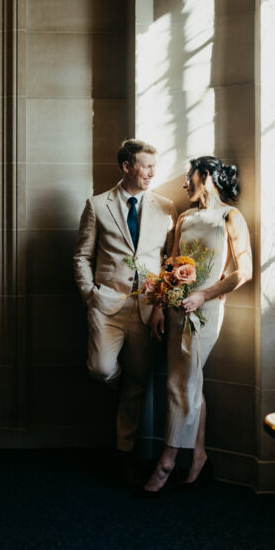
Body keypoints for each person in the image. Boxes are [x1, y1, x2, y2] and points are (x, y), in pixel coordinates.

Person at [139, 155, 252, 495]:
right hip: (175, 307)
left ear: (206, 176)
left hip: (206, 311)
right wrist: (159, 306)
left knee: (179, 382)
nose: (184, 183)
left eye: (189, 176)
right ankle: (199, 457)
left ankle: (167, 462)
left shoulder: (230, 217)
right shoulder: (185, 217)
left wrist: (204, 295)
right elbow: (171, 262)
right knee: (190, 382)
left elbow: (243, 272)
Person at [73, 138, 176, 481]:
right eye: (146, 167)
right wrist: (90, 294)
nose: (152, 173)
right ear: (127, 167)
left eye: (154, 167)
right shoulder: (97, 205)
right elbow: (82, 256)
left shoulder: (165, 208)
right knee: (101, 369)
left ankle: (124, 451)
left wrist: (161, 303)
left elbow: (168, 260)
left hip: (147, 308)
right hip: (106, 305)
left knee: (138, 383)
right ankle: (121, 397)